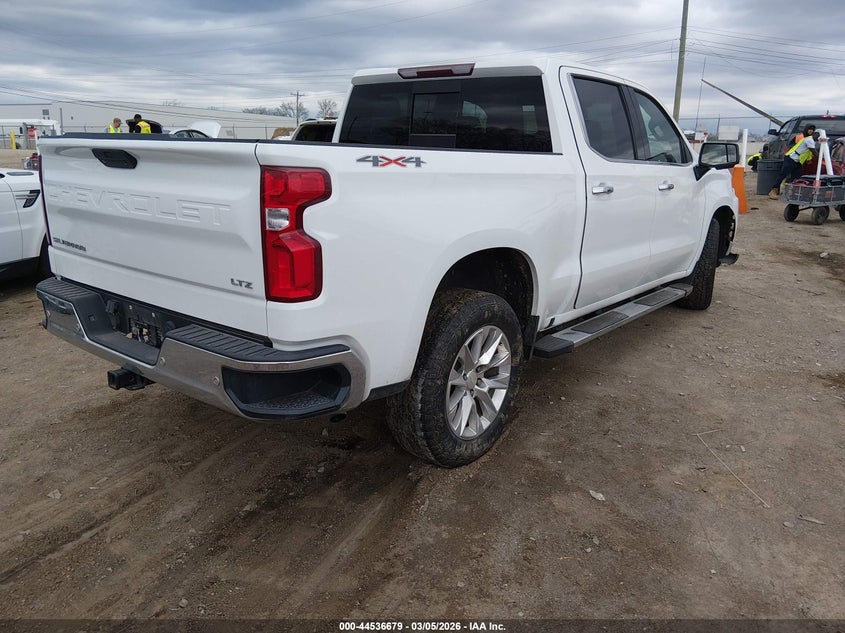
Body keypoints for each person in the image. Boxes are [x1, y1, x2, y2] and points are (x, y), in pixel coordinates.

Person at [769, 126, 818, 199]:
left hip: (798, 161)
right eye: (809, 129)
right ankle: (774, 190)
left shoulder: (810, 140)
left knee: (796, 178)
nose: (811, 131)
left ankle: (791, 193)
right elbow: (813, 151)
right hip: (791, 158)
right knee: (783, 175)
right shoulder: (809, 140)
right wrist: (821, 157)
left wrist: (809, 160)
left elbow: (808, 152)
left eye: (812, 130)